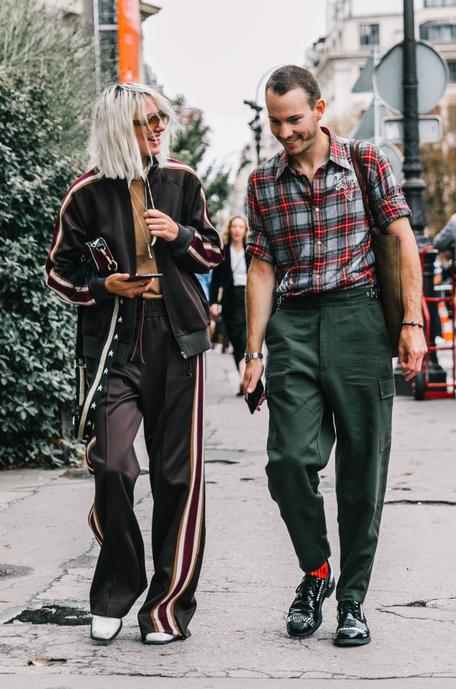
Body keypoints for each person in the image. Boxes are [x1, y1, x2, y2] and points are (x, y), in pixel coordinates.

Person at [243, 65, 426, 647]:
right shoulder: (262, 182)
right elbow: (262, 266)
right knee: (288, 461)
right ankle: (315, 570)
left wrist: (412, 322)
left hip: (359, 318)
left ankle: (352, 600)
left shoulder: (367, 162)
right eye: (275, 121)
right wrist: (251, 351)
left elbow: (400, 239)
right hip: (292, 326)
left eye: (294, 119)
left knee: (361, 470)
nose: (285, 131)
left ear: (320, 110)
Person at [45, 83, 224, 645]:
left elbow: (214, 251)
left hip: (177, 341)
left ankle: (166, 609)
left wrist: (181, 235)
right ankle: (118, 585)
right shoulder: (86, 194)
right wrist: (104, 286)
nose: (157, 129)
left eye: (160, 120)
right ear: (118, 127)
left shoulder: (182, 180)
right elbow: (58, 272)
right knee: (114, 465)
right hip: (114, 347)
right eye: (146, 121)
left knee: (178, 478)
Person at [209, 215, 251, 394]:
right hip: (230, 300)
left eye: (241, 226)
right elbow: (215, 281)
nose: (237, 230)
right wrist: (213, 302)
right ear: (230, 229)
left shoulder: (250, 251)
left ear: (245, 230)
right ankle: (244, 378)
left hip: (248, 298)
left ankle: (245, 381)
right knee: (235, 339)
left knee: (244, 340)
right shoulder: (223, 252)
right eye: (234, 226)